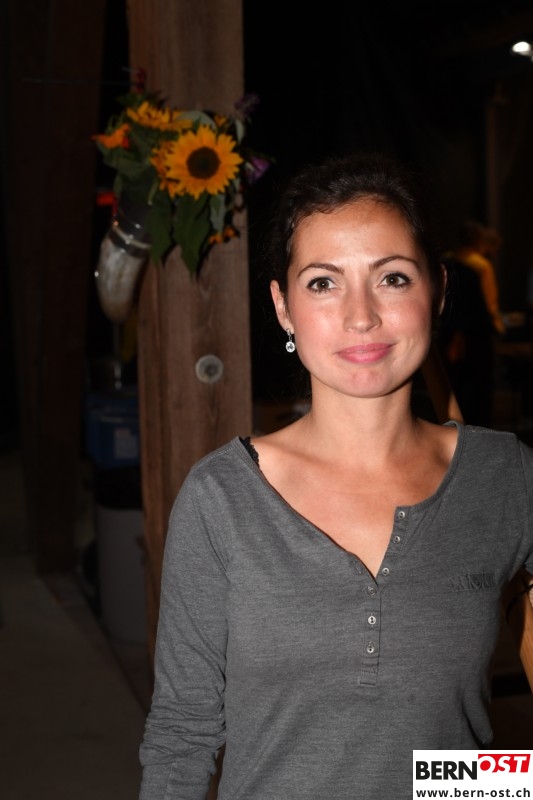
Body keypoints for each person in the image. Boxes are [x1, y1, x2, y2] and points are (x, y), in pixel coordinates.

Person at [138, 152, 533, 800]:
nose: (360, 316)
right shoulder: (222, 498)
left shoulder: (503, 477)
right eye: (323, 283)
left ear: (436, 291)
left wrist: (494, 784)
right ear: (283, 307)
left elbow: (462, 748)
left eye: (392, 278)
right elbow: (183, 733)